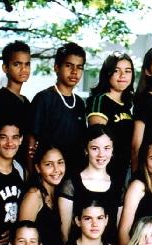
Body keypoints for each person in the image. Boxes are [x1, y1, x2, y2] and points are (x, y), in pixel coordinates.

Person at [28, 42, 87, 174]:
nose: (74, 71)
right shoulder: (44, 98)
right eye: (68, 66)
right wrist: (31, 176)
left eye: (79, 67)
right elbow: (31, 142)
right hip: (49, 173)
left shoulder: (79, 103)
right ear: (56, 67)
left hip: (74, 173)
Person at [58, 125, 119, 245]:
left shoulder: (118, 185)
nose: (101, 154)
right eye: (95, 148)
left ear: (112, 150)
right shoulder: (71, 184)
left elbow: (119, 230)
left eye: (107, 148)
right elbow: (65, 232)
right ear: (86, 150)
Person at [87, 52, 135, 201]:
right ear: (107, 73)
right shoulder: (100, 100)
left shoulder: (127, 105)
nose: (123, 75)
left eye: (128, 71)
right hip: (106, 172)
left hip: (124, 171)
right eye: (116, 70)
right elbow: (97, 143)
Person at [0, 41, 32, 169]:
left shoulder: (25, 101)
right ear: (5, 68)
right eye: (17, 64)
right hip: (4, 168)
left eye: (27, 64)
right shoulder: (0, 100)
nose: (24, 69)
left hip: (22, 167)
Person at [18, 143, 66, 245]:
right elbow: (22, 238)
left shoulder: (59, 193)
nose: (56, 169)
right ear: (38, 168)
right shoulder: (34, 195)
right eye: (49, 164)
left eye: (60, 162)